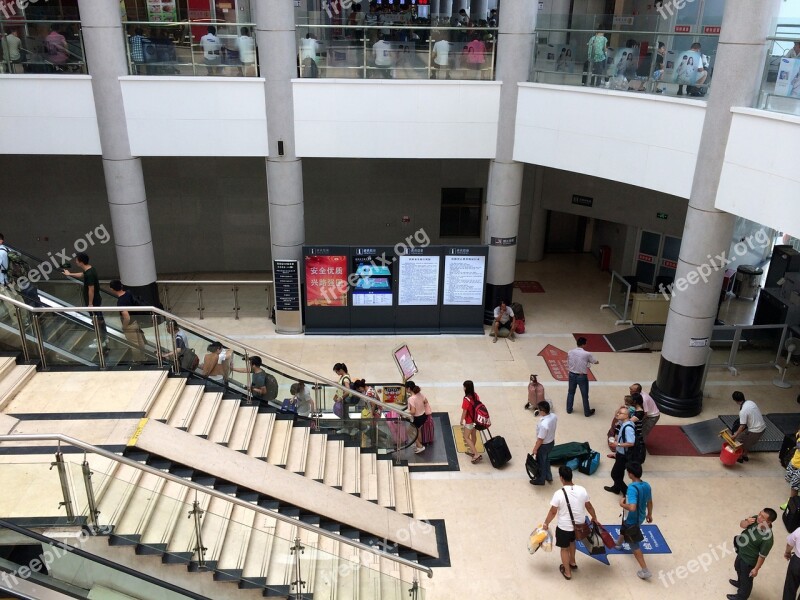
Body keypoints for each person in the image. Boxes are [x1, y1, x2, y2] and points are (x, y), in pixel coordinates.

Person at [542, 465, 600, 580]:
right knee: (572, 542)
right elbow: (589, 506)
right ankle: (572, 562)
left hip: (564, 527)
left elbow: (553, 512)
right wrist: (594, 517)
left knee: (564, 548)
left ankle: (567, 572)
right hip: (579, 526)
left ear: (561, 478)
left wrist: (546, 523)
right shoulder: (582, 490)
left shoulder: (559, 493)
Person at [615, 461, 653, 580]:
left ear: (630, 474)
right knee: (624, 526)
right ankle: (619, 544)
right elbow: (650, 502)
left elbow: (632, 507)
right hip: (640, 517)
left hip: (631, 520)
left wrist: (621, 504)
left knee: (633, 544)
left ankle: (645, 570)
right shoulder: (646, 485)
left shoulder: (631, 488)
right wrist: (649, 514)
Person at [728, 508, 777, 600]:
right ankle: (740, 583)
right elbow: (741, 525)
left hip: (749, 561)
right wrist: (747, 521)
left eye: (762, 517)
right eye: (759, 514)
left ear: (769, 522)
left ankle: (741, 596)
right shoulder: (755, 520)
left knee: (747, 580)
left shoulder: (768, 539)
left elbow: (762, 556)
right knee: (737, 567)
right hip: (741, 552)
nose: (758, 517)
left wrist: (756, 569)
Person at [62, 252, 107, 349]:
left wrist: (90, 303)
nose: (76, 261)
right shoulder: (90, 269)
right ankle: (104, 337)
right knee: (99, 318)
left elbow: (91, 289)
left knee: (96, 321)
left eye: (77, 260)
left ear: (81, 261)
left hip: (93, 301)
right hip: (96, 300)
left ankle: (101, 340)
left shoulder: (89, 273)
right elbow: (82, 275)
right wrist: (70, 274)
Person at [108, 279, 148, 361]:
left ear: (112, 289)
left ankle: (138, 361)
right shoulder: (128, 293)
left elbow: (126, 317)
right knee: (140, 341)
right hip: (136, 321)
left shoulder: (121, 302)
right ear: (121, 286)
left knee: (134, 344)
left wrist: (124, 326)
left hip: (130, 325)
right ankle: (143, 358)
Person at [605, 406, 636, 495]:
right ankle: (616, 488)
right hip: (620, 453)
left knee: (614, 474)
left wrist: (617, 444)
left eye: (620, 413)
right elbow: (616, 416)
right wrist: (619, 408)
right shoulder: (624, 423)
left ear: (626, 416)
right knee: (620, 472)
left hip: (623, 455)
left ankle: (627, 493)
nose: (618, 414)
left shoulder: (628, 428)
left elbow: (631, 443)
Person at [566, 337, 598, 416]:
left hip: (571, 374)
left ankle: (569, 409)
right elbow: (594, 361)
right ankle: (587, 412)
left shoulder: (570, 352)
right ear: (584, 344)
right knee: (584, 395)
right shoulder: (587, 354)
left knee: (570, 392)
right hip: (581, 376)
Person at [732, 391, 766, 463]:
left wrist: (735, 435)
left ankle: (740, 457)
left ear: (735, 401)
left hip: (756, 430)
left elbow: (742, 426)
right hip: (762, 427)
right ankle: (745, 455)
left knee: (739, 440)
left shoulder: (743, 411)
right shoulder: (750, 402)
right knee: (748, 442)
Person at [530, 400, 557, 486]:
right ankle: (548, 476)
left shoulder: (544, 425)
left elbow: (540, 439)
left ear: (543, 411)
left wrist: (535, 449)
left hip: (543, 445)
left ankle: (541, 480)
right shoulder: (553, 416)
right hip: (551, 442)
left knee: (541, 462)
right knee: (547, 460)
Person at [406, 380, 431, 454]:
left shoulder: (411, 399)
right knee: (418, 430)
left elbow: (413, 411)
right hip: (424, 416)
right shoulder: (420, 394)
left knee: (409, 432)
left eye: (406, 388)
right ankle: (418, 444)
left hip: (417, 418)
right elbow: (426, 401)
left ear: (409, 389)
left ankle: (420, 446)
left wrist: (406, 413)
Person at [460, 380, 482, 464]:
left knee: (466, 437)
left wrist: (461, 420)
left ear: (466, 388)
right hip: (475, 420)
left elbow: (464, 411)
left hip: (469, 421)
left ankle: (476, 454)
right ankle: (473, 451)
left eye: (464, 386)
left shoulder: (466, 399)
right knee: (473, 435)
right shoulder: (475, 395)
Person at [783, 428, 800, 511]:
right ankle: (793, 502)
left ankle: (792, 504)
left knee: (794, 485)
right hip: (794, 462)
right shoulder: (799, 433)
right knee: (790, 480)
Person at [783, 526, 800, 600]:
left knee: (790, 587)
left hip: (797, 562)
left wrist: (787, 552)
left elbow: (790, 544)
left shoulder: (799, 530)